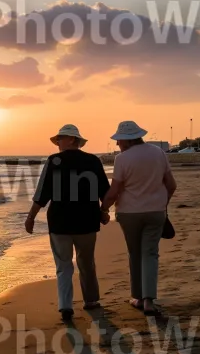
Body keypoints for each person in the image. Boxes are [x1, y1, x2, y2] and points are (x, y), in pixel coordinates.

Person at [25, 124, 111, 322]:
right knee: (86, 262)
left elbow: (42, 192)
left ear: (71, 140)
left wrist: (31, 217)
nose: (58, 144)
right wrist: (104, 211)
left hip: (60, 222)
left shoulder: (54, 161)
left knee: (63, 265)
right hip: (87, 221)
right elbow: (105, 191)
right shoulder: (93, 161)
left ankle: (65, 305)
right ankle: (91, 301)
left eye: (60, 139)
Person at [101, 121, 177, 316]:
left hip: (129, 214)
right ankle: (149, 301)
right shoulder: (158, 153)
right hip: (155, 212)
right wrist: (163, 203)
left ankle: (138, 297)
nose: (117, 144)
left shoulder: (122, 159)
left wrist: (103, 209)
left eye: (119, 140)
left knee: (134, 254)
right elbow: (171, 184)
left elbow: (115, 191)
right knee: (150, 254)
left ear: (127, 140)